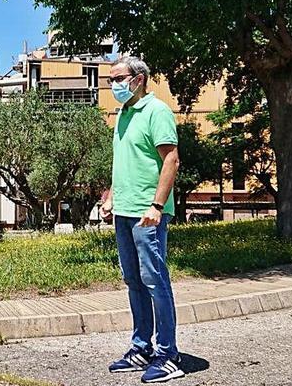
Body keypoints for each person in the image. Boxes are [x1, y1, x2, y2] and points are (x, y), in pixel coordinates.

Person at [100, 56, 183, 383]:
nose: (113, 85)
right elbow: (126, 163)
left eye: (118, 78)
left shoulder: (157, 111)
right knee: (133, 280)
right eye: (110, 80)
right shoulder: (123, 114)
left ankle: (168, 353)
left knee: (155, 280)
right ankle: (141, 347)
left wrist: (157, 206)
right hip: (124, 211)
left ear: (139, 78)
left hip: (148, 213)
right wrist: (111, 198)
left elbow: (171, 161)